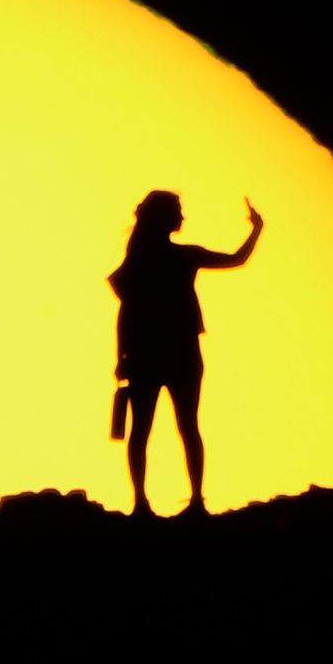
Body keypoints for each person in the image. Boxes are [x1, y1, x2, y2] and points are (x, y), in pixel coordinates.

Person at [108, 192, 262, 517]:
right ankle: (194, 501)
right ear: (165, 218)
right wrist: (256, 229)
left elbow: (126, 315)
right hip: (180, 353)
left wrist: (122, 358)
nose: (182, 217)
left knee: (142, 430)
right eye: (178, 211)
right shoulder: (183, 257)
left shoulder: (138, 262)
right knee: (187, 427)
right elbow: (237, 259)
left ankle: (142, 503)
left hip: (146, 354)